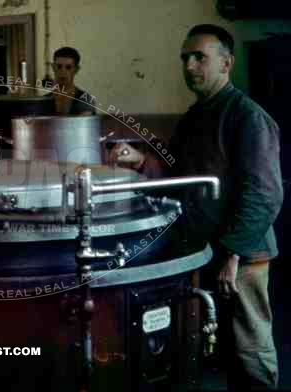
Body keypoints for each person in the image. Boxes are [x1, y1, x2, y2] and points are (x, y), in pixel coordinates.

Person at [109, 24, 283, 390]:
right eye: (185, 58)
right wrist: (141, 160)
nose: (189, 66)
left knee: (249, 348)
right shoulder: (196, 116)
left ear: (226, 63)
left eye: (199, 57)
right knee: (214, 347)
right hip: (204, 248)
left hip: (242, 255)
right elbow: (179, 173)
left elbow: (265, 192)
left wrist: (233, 253)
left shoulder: (247, 116)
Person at [45, 47, 96, 116]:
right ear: (53, 67)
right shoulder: (44, 101)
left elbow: (82, 125)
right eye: (59, 66)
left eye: (68, 67)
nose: (63, 71)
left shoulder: (85, 99)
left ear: (76, 69)